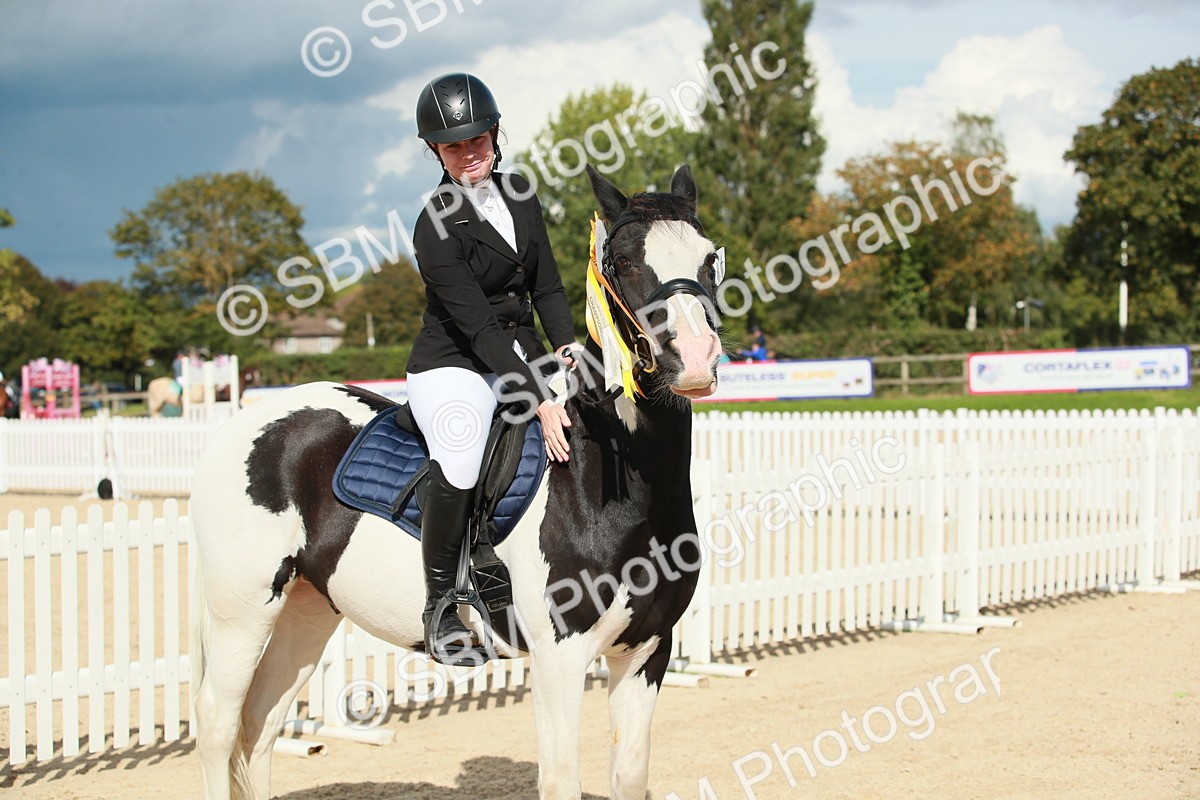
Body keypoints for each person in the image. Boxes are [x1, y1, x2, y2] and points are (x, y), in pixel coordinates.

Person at [408, 72, 579, 659]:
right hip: (453, 362)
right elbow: (479, 327)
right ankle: (442, 603)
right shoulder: (434, 224)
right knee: (461, 441)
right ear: (436, 151)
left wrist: (566, 350)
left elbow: (549, 288)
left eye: (477, 138)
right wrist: (539, 396)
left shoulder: (523, 194)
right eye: (453, 145)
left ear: (496, 133)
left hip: (522, 348)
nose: (469, 152)